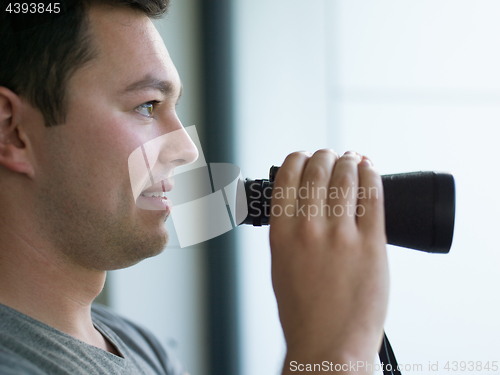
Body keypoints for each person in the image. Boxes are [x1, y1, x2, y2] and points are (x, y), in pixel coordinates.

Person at [0, 1, 389, 374]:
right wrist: (333, 352)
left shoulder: (141, 347)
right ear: (12, 132)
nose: (186, 149)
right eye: (147, 105)